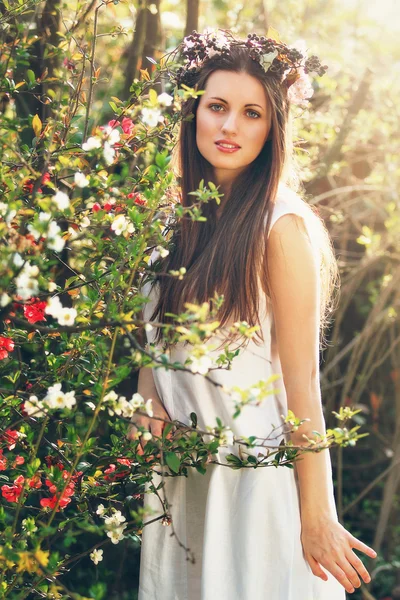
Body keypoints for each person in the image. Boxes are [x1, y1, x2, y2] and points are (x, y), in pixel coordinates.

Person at [128, 29, 377, 600]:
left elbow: (303, 385)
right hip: (184, 479)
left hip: (254, 482)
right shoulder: (172, 222)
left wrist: (315, 514)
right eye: (216, 107)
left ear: (273, 128)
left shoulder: (280, 227)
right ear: (194, 113)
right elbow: (155, 338)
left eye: (251, 113)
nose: (229, 126)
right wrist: (147, 399)